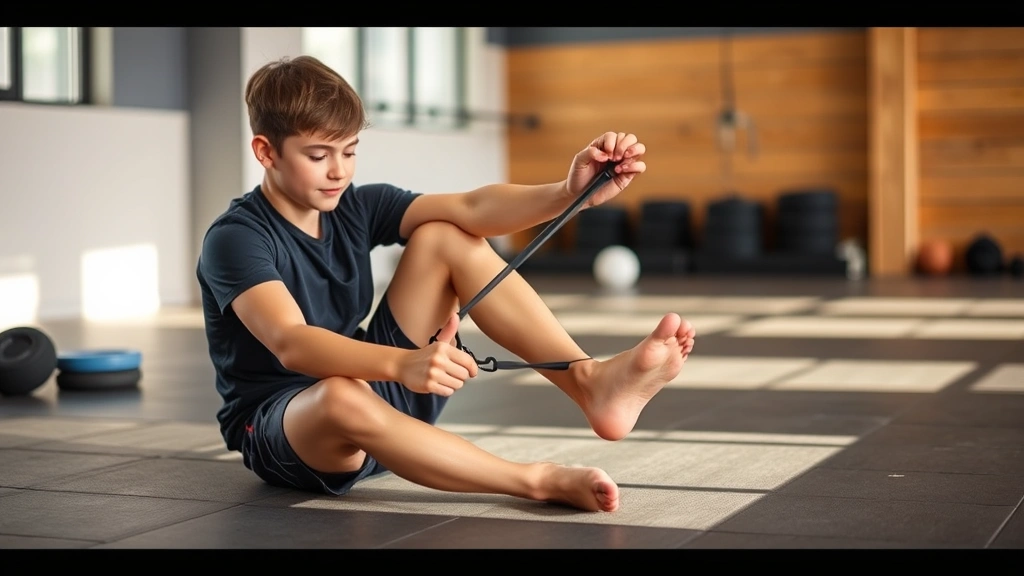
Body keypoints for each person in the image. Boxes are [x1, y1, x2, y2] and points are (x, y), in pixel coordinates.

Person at [196, 55, 696, 513]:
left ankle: (589, 383)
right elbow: (291, 343)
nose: (339, 171)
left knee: (444, 234)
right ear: (266, 151)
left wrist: (571, 194)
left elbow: (472, 208)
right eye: (318, 155)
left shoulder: (354, 206)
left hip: (385, 396)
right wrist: (403, 363)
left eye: (349, 152)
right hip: (289, 430)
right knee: (337, 395)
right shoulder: (237, 239)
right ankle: (538, 481)